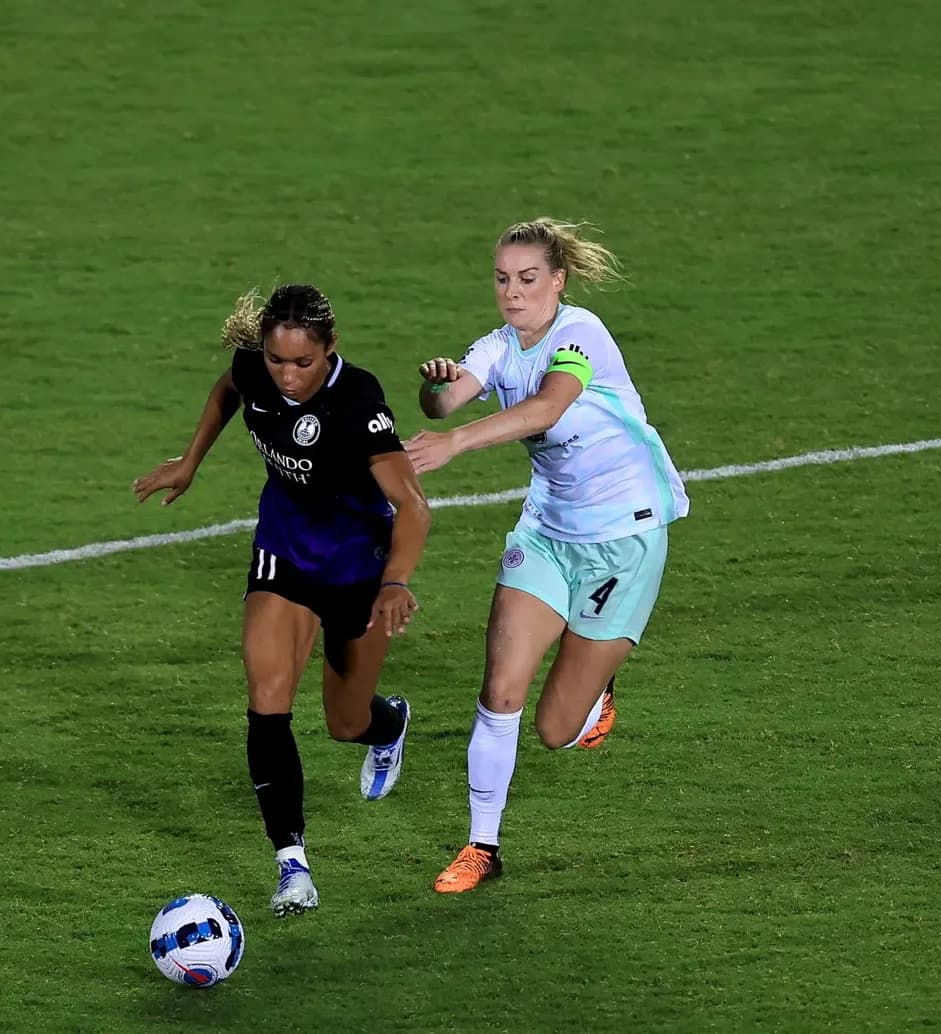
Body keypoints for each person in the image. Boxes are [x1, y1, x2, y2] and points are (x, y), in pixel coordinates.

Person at [405, 218, 688, 892]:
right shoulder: (499, 346)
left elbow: (549, 409)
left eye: (528, 279)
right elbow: (444, 401)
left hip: (625, 532)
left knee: (557, 729)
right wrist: (435, 388)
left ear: (557, 281)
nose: (513, 292)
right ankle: (482, 846)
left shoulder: (578, 335)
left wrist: (456, 445)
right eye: (502, 279)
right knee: (499, 689)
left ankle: (596, 685)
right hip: (548, 533)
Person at [134, 284, 431, 916]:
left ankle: (390, 723)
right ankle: (292, 866)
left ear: (331, 349)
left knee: (345, 721)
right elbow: (228, 389)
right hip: (285, 554)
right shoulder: (255, 370)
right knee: (267, 705)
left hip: (358, 569)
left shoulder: (358, 402)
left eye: (303, 363)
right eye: (276, 361)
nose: (288, 376)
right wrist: (190, 463)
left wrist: (397, 581)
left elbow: (411, 504)